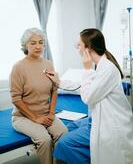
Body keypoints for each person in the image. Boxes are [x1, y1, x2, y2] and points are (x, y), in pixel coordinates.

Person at [46, 28, 133, 164]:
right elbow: (83, 85)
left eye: (79, 45)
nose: (77, 49)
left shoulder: (108, 69)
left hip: (109, 124)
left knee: (65, 143)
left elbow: (88, 97)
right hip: (96, 119)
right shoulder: (101, 65)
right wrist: (59, 81)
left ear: (88, 48)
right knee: (69, 128)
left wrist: (87, 68)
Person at [9, 28, 68, 164]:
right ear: (25, 46)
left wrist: (52, 114)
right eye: (33, 43)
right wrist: (36, 118)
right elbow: (16, 99)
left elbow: (54, 90)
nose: (38, 46)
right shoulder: (18, 67)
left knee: (64, 135)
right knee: (45, 139)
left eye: (41, 42)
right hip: (23, 117)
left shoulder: (48, 64)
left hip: (46, 114)